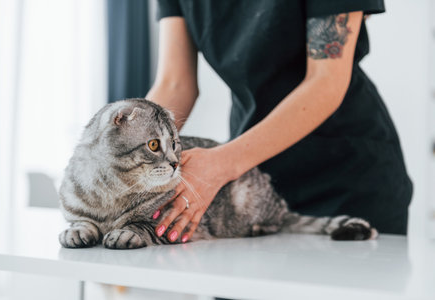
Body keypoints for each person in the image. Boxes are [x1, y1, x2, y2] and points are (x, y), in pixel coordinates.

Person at [145, 0, 413, 243]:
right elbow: (175, 84)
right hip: (254, 188)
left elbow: (325, 82)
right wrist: (116, 158)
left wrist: (221, 164)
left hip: (346, 179)